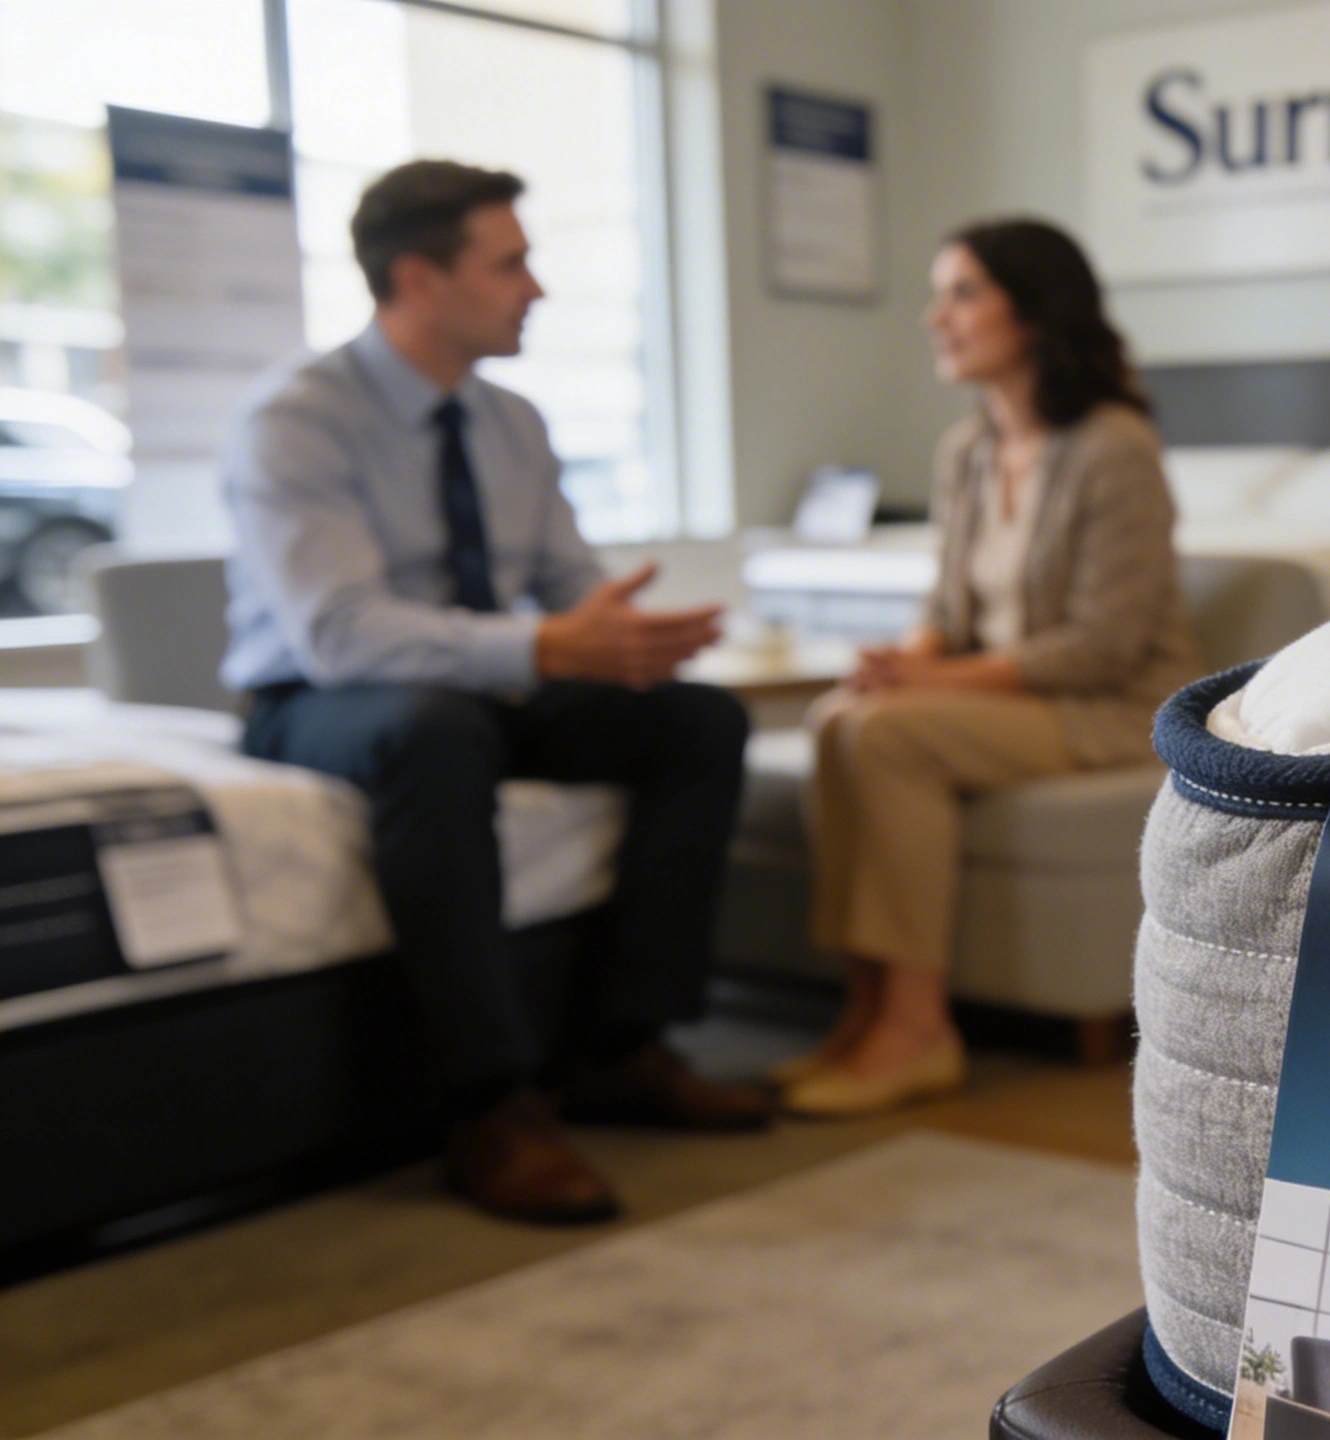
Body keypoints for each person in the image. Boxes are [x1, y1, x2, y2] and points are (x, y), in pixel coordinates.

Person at [221, 159, 773, 1225]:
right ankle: (489, 1104)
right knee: (436, 733)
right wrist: (549, 650)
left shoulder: (511, 421)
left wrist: (626, 637)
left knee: (697, 723)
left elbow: (567, 590)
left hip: (478, 690)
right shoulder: (296, 418)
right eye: (512, 263)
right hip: (322, 699)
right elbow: (340, 633)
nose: (536, 288)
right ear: (420, 278)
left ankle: (621, 1048)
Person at [778, 218, 1199, 1117]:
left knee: (887, 737)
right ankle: (866, 1009)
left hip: (1112, 705)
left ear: (1036, 311)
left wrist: (927, 685)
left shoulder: (1114, 448)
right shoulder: (965, 453)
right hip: (1019, 697)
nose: (937, 317)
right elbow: (948, 612)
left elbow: (1102, 646)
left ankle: (920, 1029)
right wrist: (907, 658)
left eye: (963, 293)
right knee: (837, 719)